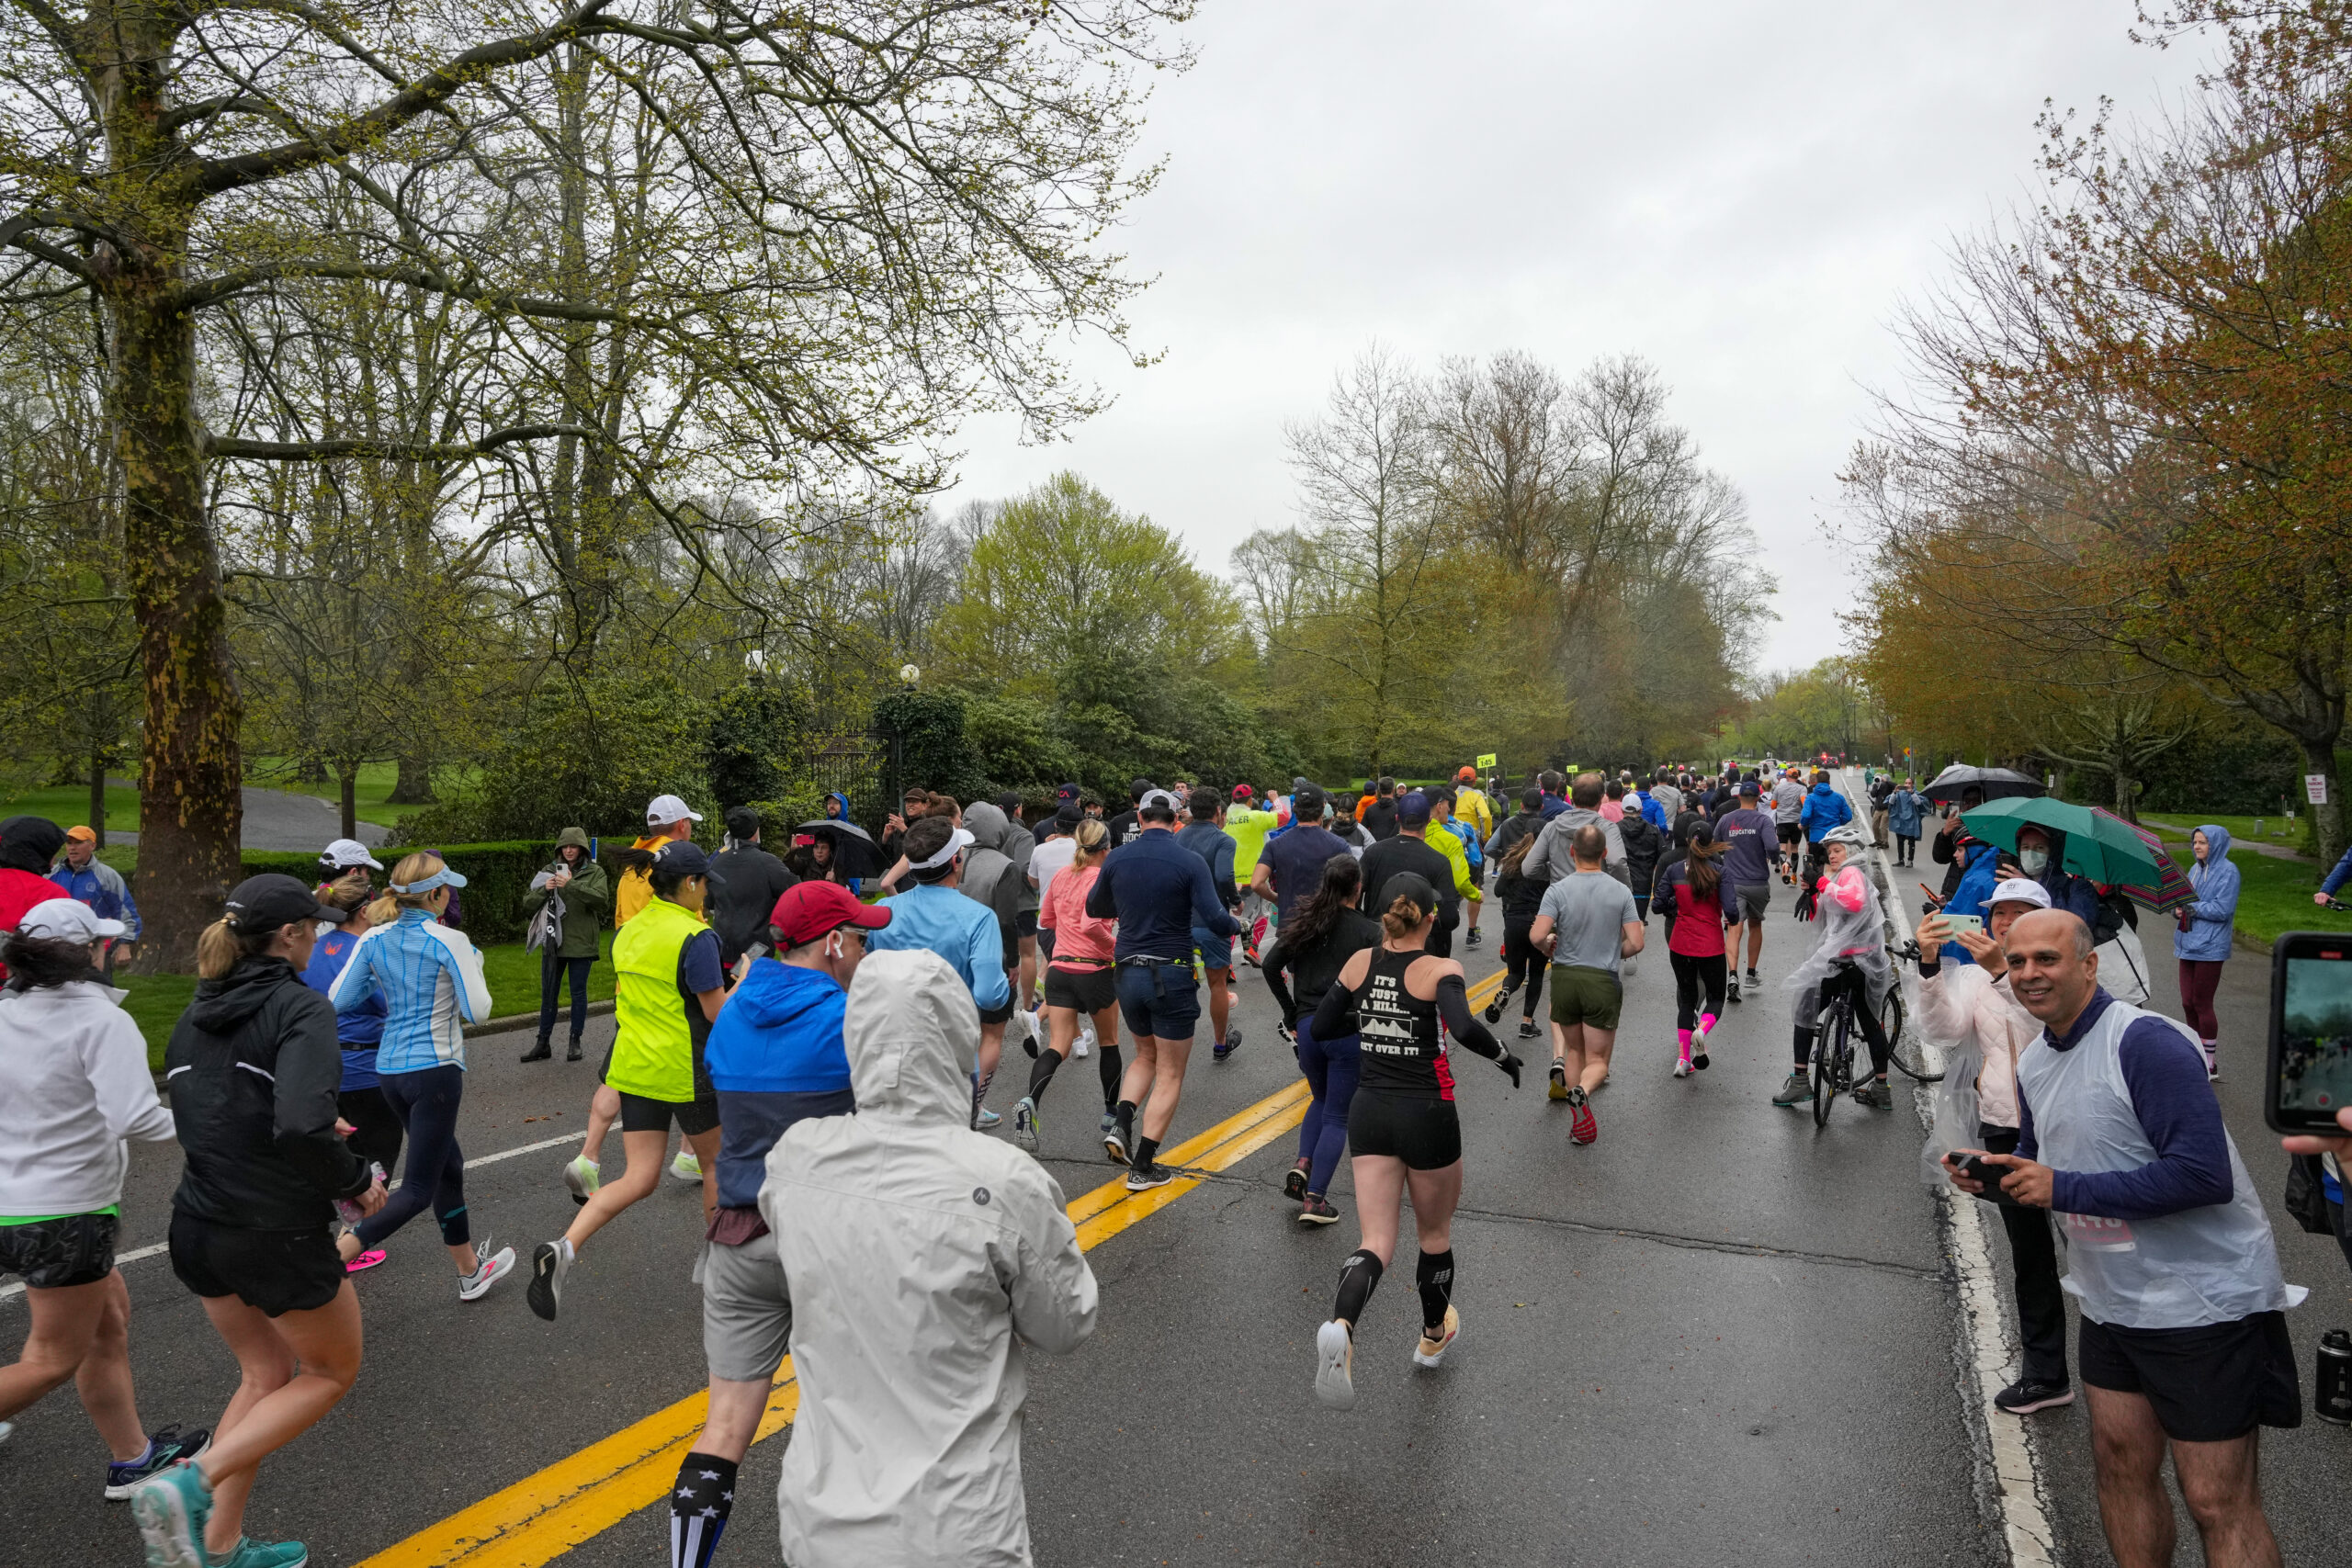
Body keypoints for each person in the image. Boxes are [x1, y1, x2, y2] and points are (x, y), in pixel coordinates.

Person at [1949, 908, 2299, 1568]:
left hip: (2203, 1304)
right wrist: (1998, 1178)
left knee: (2215, 1499)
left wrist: (2062, 1188)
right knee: (2119, 1468)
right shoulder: (2038, 1061)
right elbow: (2041, 1164)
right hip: (2113, 1300)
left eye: (2046, 958)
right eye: (2017, 960)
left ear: (2088, 964)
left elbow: (2203, 1175)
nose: (2028, 974)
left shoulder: (2147, 1042)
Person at [763, 947, 1098, 1566]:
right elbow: (1067, 1321)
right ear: (957, 1042)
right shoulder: (1000, 1179)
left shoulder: (795, 1159)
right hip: (955, 1529)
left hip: (817, 1520)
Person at [136, 874, 387, 1568]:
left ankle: (217, 1547)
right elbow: (302, 1125)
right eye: (316, 925)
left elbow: (222, 1110)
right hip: (271, 1229)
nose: (325, 933)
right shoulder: (301, 1007)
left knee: (265, 1372)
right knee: (330, 1370)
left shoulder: (195, 1011)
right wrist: (356, 1179)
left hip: (197, 1223)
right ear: (289, 936)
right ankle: (191, 1481)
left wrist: (308, 1124)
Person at [673, 880, 888, 1568]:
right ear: (831, 943)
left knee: (725, 1424)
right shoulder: (848, 1021)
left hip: (739, 1239)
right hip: (829, 1242)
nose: (863, 949)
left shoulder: (731, 1016)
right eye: (858, 937)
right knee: (858, 1416)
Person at [0, 900, 204, 1499]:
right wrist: (215, 1126)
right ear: (89, 953)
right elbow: (135, 1115)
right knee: (50, 1359)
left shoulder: (6, 1013)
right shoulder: (101, 1022)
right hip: (66, 1212)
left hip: (17, 1204)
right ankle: (131, 1460)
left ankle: (132, 1459)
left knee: (107, 1324)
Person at [1306, 874, 1520, 1408]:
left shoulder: (1359, 963)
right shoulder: (1440, 969)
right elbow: (1465, 1028)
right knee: (1434, 1235)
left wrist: (1373, 1015)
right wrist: (1505, 1058)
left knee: (1375, 1240)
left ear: (1384, 916)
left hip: (1370, 1109)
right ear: (1431, 919)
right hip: (1427, 1111)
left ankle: (1342, 1324)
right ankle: (1431, 1335)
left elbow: (1323, 1027)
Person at [527, 840, 726, 1323]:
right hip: (687, 1066)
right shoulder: (696, 937)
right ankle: (726, 1269)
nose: (707, 895)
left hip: (635, 1067)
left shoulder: (630, 931)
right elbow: (715, 1011)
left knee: (637, 1177)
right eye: (704, 885)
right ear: (692, 884)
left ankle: (565, 1247)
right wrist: (740, 984)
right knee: (718, 1167)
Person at [1916, 879, 2074, 1416]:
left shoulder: (2060, 973)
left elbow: (2053, 1027)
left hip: (2069, 1126)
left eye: (2019, 912)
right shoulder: (1979, 979)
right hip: (2005, 1125)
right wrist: (1932, 967)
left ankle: (2129, 1364)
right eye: (1998, 913)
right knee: (2031, 1255)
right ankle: (2047, 1374)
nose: (2005, 921)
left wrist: (2006, 975)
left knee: (2098, 1248)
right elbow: (1941, 1031)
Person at [326, 852, 515, 1296]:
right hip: (434, 1074)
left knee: (449, 1165)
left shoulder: (374, 938)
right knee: (416, 1190)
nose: (450, 897)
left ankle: (470, 1272)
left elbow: (338, 999)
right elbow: (479, 1012)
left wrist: (382, 980)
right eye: (447, 889)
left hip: (390, 1073)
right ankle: (328, 1264)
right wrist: (475, 962)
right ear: (434, 894)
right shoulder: (449, 940)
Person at [1085, 791, 1242, 1188]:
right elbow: (1214, 917)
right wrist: (1235, 924)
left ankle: (1120, 1124)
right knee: (1171, 1073)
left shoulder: (1117, 857)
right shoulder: (1188, 861)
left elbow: (1095, 908)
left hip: (1127, 972)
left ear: (1139, 816)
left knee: (1143, 1056)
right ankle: (1143, 1167)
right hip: (1170, 972)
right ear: (1177, 818)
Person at [866, 815, 1014, 1131]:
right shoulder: (979, 918)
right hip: (951, 1056)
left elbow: (869, 973)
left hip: (892, 1049)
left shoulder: (885, 912)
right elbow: (990, 996)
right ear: (956, 861)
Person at [1261, 853, 1382, 1225]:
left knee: (1320, 1099)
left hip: (1309, 1028)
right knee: (1338, 1115)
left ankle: (1303, 1163)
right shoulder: (1369, 932)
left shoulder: (1304, 924)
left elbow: (1269, 965)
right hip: (1347, 1030)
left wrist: (1290, 1011)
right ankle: (1315, 1201)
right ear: (1357, 887)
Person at [1013, 819, 1127, 1156]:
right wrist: (1114, 948)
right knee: (1109, 1042)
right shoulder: (1103, 878)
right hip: (1094, 968)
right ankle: (1110, 1116)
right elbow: (1094, 926)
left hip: (1060, 968)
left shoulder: (1062, 876)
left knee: (1058, 1045)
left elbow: (1045, 920)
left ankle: (1029, 1100)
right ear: (1105, 849)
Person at [297, 880, 393, 1271]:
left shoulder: (315, 948)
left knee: (340, 1152)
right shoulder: (364, 951)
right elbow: (386, 1003)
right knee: (379, 1157)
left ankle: (323, 1235)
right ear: (365, 911)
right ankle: (352, 1243)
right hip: (366, 1068)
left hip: (325, 1066)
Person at [1529, 825, 1643, 1144]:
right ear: (1604, 854)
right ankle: (1583, 1090)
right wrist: (1612, 950)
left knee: (1575, 1049)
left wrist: (1548, 944)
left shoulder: (1557, 891)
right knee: (1598, 1061)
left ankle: (1578, 1119)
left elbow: (1537, 935)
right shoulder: (1620, 891)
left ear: (1572, 852)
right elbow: (1636, 942)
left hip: (1565, 978)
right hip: (1601, 981)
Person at [1776, 822, 1897, 1110]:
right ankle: (1881, 1088)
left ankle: (1800, 1081)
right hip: (1858, 960)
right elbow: (1832, 917)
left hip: (1851, 961)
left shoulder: (1852, 873)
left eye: (1837, 850)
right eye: (1829, 851)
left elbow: (1853, 903)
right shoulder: (1843, 874)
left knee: (1805, 1009)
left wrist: (1822, 884)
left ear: (1851, 851)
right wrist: (1813, 892)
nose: (1831, 855)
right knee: (1870, 1024)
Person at [957, 799, 1035, 1122]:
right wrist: (1013, 961)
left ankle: (954, 1103)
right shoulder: (1005, 866)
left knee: (964, 1033)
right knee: (991, 1035)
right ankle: (973, 1108)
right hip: (991, 958)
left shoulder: (956, 859)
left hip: (957, 956)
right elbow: (1006, 920)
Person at [520, 826, 611, 1063]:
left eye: (574, 846)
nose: (569, 851)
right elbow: (527, 905)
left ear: (582, 848)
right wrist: (544, 889)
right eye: (565, 846)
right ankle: (543, 1043)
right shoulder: (548, 871)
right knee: (548, 993)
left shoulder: (595, 872)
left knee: (578, 993)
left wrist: (570, 884)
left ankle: (575, 1041)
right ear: (559, 849)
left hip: (582, 943)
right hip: (553, 942)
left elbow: (602, 901)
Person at [1652, 825, 1735, 1078]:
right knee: (1716, 998)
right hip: (1710, 944)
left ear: (1688, 841)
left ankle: (1683, 1059)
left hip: (1681, 944)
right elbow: (1732, 912)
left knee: (1687, 1001)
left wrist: (1676, 903)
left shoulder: (1674, 870)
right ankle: (1703, 1029)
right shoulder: (1720, 872)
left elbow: (1657, 906)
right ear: (1711, 844)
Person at [1356, 791, 1471, 959]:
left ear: (1397, 819)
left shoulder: (1373, 852)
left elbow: (1354, 897)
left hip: (1378, 940)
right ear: (1429, 820)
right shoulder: (1438, 861)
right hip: (1420, 946)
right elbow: (1450, 919)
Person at [1175, 791, 1245, 1060]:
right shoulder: (1223, 839)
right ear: (1218, 811)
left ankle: (1177, 1042)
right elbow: (1224, 874)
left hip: (1181, 921)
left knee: (1181, 980)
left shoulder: (1178, 836)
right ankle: (1219, 1043)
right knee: (1218, 985)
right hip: (1211, 919)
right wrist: (1235, 901)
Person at [1480, 791, 1550, 1041]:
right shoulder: (1548, 866)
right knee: (1538, 974)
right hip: (1539, 923)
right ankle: (1526, 1022)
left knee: (1516, 972)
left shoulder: (1513, 862)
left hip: (1513, 921)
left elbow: (1498, 890)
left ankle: (1506, 991)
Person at [1250, 783, 1349, 953]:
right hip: (1328, 924)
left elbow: (1257, 883)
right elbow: (1351, 888)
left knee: (1297, 976)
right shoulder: (1339, 845)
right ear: (1323, 807)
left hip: (1291, 924)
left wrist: (1275, 898)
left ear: (1294, 807)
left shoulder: (1276, 845)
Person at [2174, 825, 2238, 1080]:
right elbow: (2187, 900)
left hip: (2211, 947)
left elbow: (2223, 910)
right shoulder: (2194, 869)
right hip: (2187, 942)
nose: (2197, 847)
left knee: (2202, 1003)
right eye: (2195, 842)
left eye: (2203, 842)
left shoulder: (2229, 872)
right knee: (2187, 1002)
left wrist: (2191, 907)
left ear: (2217, 844)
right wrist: (2177, 908)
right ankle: (2195, 1053)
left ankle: (2209, 1063)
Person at [709, 807, 797, 973]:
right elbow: (795, 891)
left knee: (728, 998)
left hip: (723, 951)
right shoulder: (768, 863)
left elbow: (708, 902)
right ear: (756, 831)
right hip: (755, 954)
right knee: (753, 997)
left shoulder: (717, 863)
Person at [1713, 777, 1777, 1003]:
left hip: (1732, 882)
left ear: (1739, 797)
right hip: (1758, 882)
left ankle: (1732, 975)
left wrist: (1727, 857)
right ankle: (1751, 973)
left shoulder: (1726, 820)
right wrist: (1772, 857)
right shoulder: (1763, 821)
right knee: (1756, 924)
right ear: (1758, 798)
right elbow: (1772, 846)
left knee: (1734, 928)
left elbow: (1715, 845)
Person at [48, 825, 138, 977]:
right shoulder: (51, 874)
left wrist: (125, 945)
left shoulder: (107, 876)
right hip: (58, 949)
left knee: (99, 993)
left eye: (78, 843)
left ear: (93, 846)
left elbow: (124, 909)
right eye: (69, 843)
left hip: (96, 949)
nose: (72, 848)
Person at [1521, 773, 1629, 890]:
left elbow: (1529, 867)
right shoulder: (1607, 828)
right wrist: (1623, 891)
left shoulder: (1552, 827)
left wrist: (1555, 873)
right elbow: (1616, 862)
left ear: (1573, 795)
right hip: (1597, 896)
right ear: (1601, 798)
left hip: (1562, 897)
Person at [618, 794, 705, 926]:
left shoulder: (633, 862)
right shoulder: (680, 862)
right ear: (682, 824)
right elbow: (693, 917)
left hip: (631, 943)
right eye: (689, 821)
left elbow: (620, 915)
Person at [0, 816, 66, 980]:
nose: (52, 865)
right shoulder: (49, 893)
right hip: (19, 986)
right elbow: (60, 950)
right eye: (51, 855)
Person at [1616, 784, 1664, 925]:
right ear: (1641, 809)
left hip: (1621, 883)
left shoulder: (1615, 829)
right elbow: (1663, 855)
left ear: (1622, 810)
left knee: (1622, 925)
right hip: (1644, 883)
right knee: (1639, 923)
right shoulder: (1653, 830)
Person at [1798, 769, 1853, 883]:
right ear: (1829, 782)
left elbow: (1806, 815)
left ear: (1817, 782)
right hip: (1833, 838)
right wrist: (1838, 824)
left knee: (1816, 870)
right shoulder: (1838, 797)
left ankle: (1817, 895)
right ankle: (1830, 892)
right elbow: (1848, 816)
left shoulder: (1811, 798)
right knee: (1832, 869)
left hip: (1816, 839)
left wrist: (1802, 825)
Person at [1770, 768, 1806, 883]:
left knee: (1783, 847)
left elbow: (1773, 806)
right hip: (1796, 822)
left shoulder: (1778, 788)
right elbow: (1804, 803)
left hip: (1782, 821)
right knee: (1795, 849)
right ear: (1797, 777)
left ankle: (1785, 865)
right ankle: (1794, 876)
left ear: (1787, 777)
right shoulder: (1802, 788)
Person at [1887, 777, 1928, 867]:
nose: (1907, 785)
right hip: (1900, 820)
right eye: (1906, 783)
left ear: (1912, 785)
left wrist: (1912, 793)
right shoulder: (1899, 793)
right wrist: (1894, 792)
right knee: (1900, 841)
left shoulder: (1915, 793)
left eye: (1909, 783)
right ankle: (1901, 860)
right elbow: (1891, 801)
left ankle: (1910, 860)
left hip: (1911, 821)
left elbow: (1918, 803)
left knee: (1911, 842)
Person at [1357, 776, 1400, 841]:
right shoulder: (1398, 809)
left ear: (1379, 791)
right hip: (1393, 847)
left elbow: (1361, 831)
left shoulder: (1370, 809)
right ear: (1393, 790)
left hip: (1374, 845)